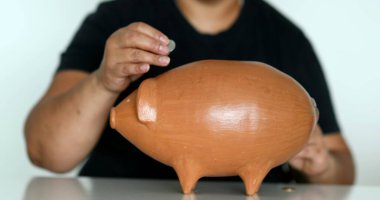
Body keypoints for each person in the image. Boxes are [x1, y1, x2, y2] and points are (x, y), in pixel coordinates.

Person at [24, 0, 354, 184]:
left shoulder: (286, 38)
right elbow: (46, 152)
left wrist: (322, 165)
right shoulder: (116, 19)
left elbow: (342, 168)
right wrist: (102, 83)